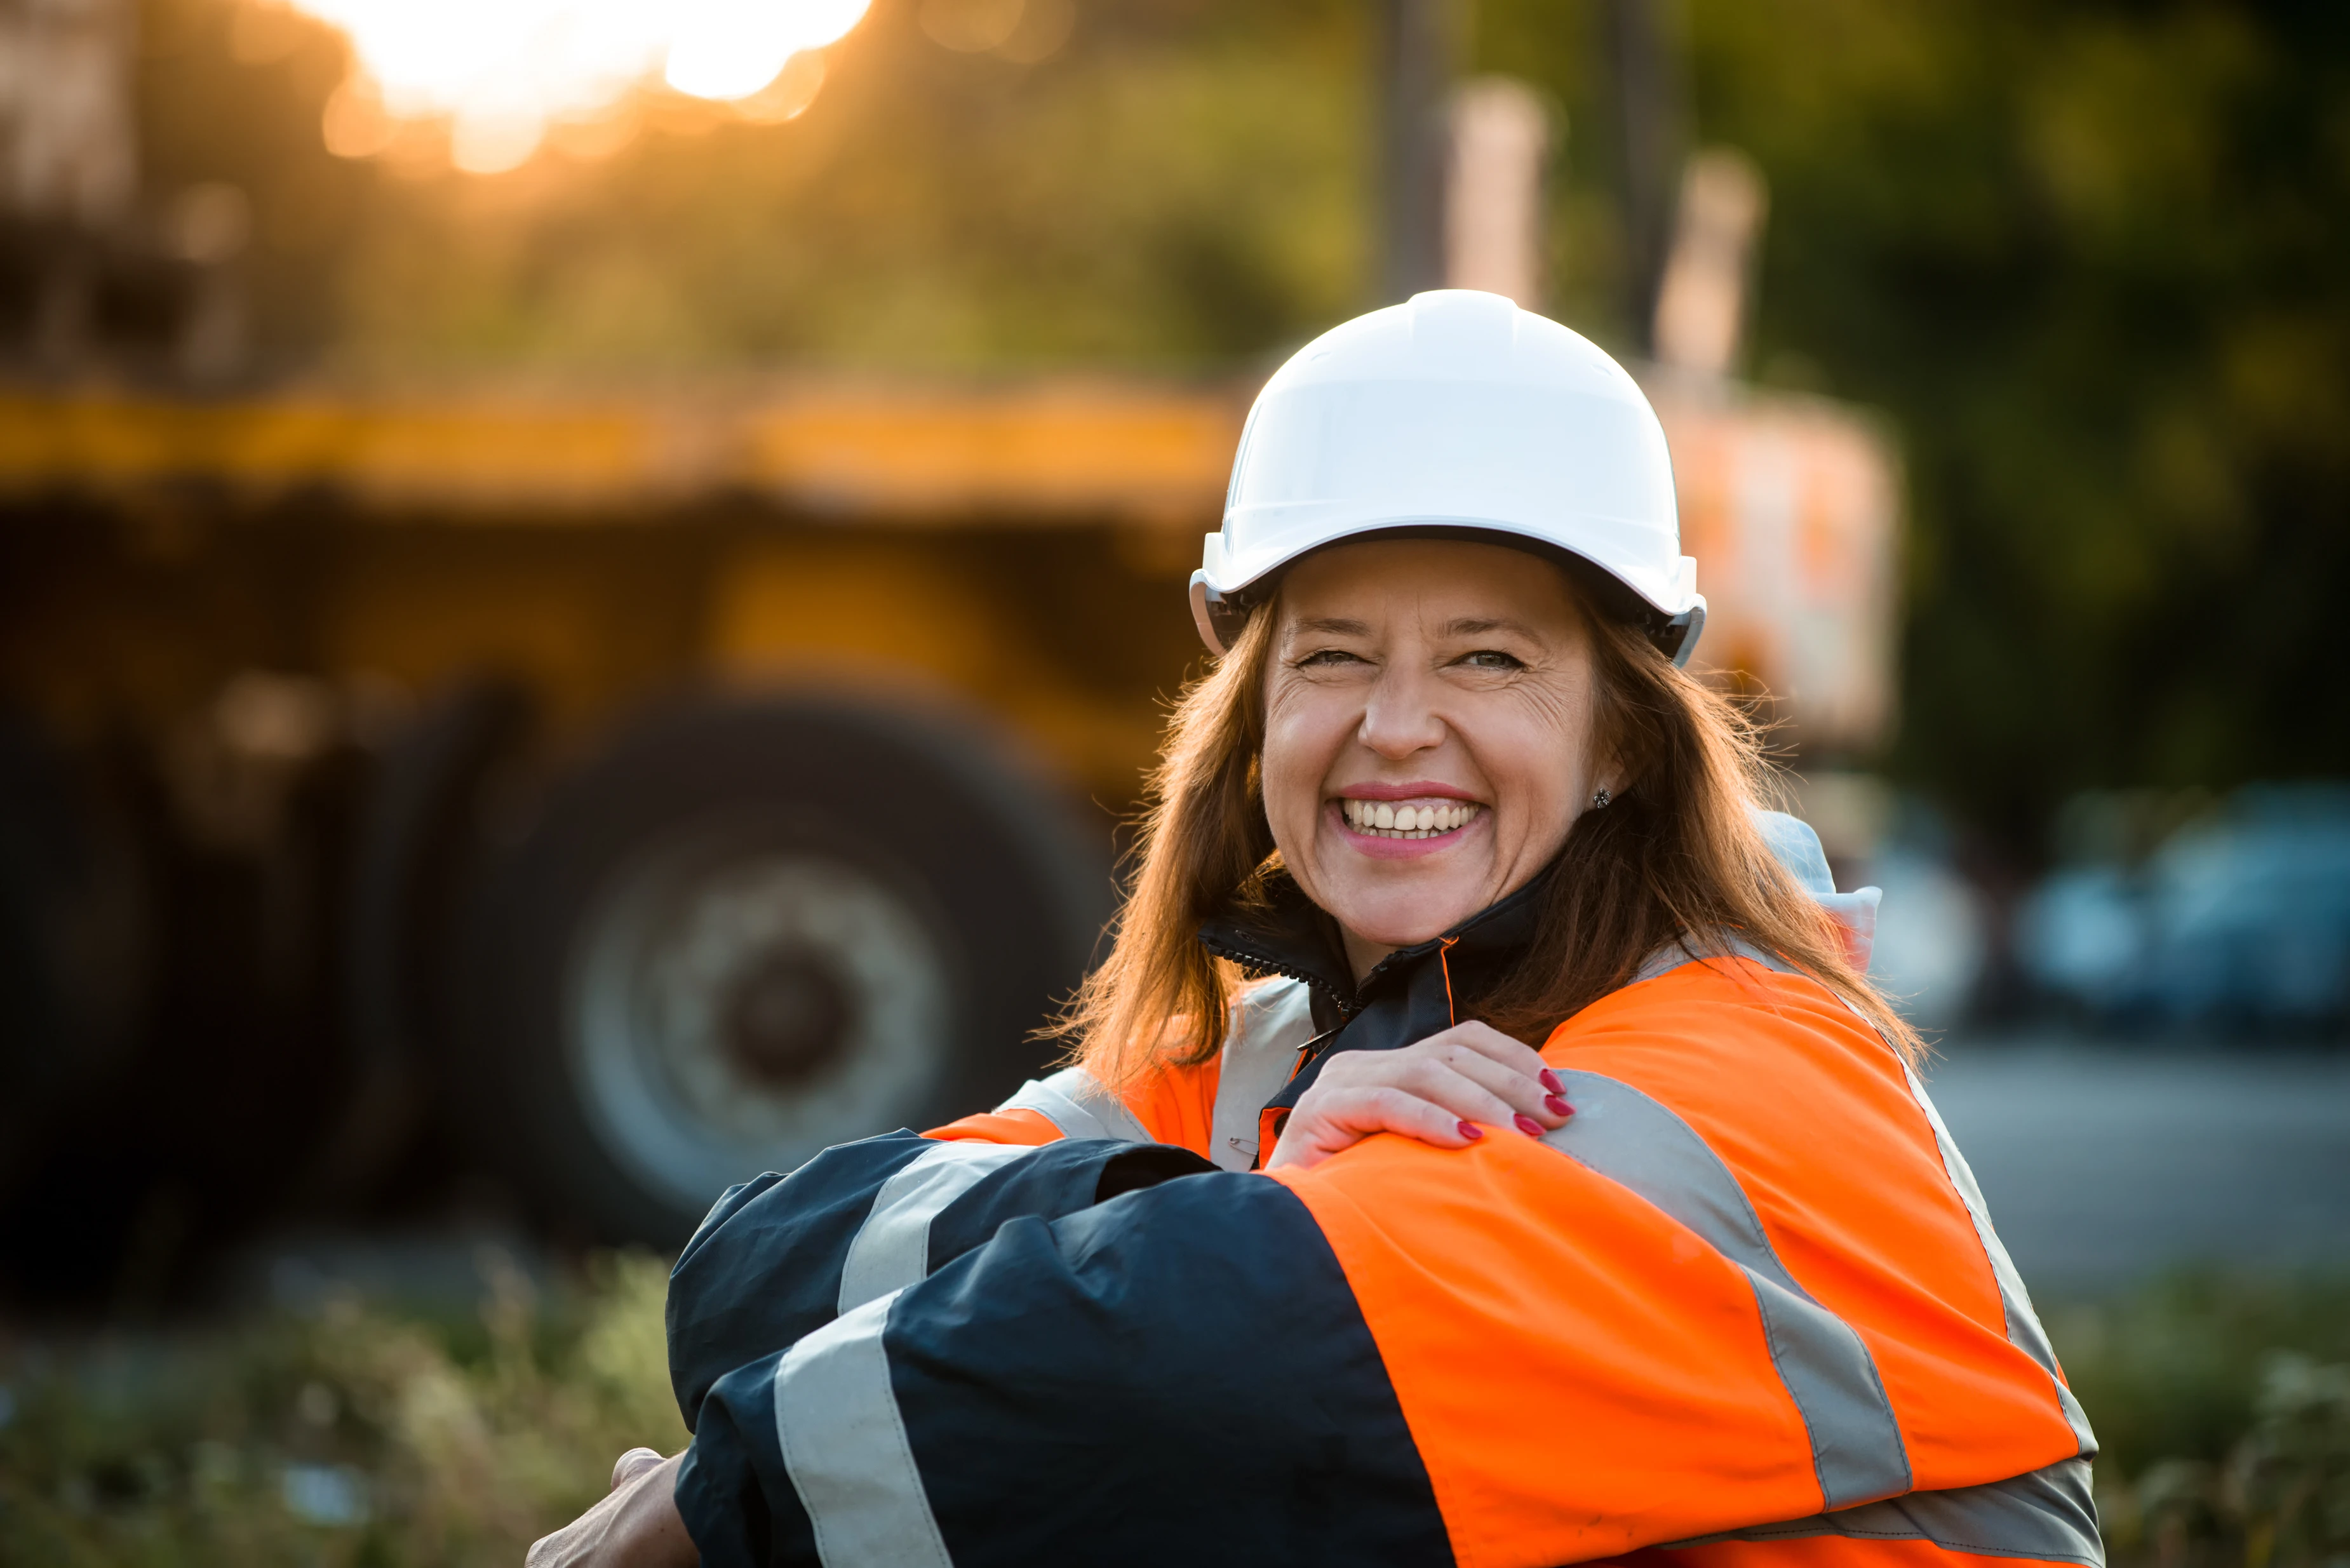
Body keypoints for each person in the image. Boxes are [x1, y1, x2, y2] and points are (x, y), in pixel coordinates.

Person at [528, 291, 2099, 1568]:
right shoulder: (1286, 1055)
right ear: (1256, 712)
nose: (1395, 727)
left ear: (1622, 736)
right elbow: (750, 1263)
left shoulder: (1740, 1067)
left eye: (1487, 660)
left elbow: (1179, 1376)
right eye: (1333, 656)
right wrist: (1196, 1192)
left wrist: (694, 1515)